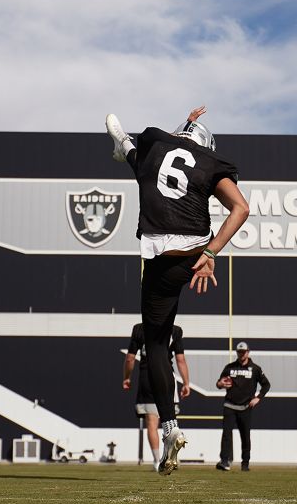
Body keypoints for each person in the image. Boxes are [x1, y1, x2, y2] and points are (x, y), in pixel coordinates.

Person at [106, 106, 250, 476]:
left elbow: (145, 152)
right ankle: (121, 144)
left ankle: (169, 427)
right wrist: (211, 253)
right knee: (162, 335)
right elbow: (241, 208)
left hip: (159, 258)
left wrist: (125, 141)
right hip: (193, 253)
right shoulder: (208, 160)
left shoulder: (154, 148)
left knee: (156, 342)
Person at [123, 322, 191, 470]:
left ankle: (157, 460)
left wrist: (126, 377)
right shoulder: (175, 330)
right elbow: (180, 360)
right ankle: (172, 458)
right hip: (167, 378)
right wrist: (186, 383)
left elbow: (130, 358)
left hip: (148, 378)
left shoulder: (140, 329)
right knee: (171, 422)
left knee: (152, 424)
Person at [215, 341, 271, 472]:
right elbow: (218, 383)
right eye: (239, 352)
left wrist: (258, 398)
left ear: (248, 352)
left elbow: (266, 385)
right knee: (226, 434)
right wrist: (220, 384)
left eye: (243, 352)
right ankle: (224, 461)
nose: (241, 354)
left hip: (245, 407)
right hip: (229, 405)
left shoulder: (255, 369)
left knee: (245, 436)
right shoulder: (230, 367)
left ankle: (245, 463)